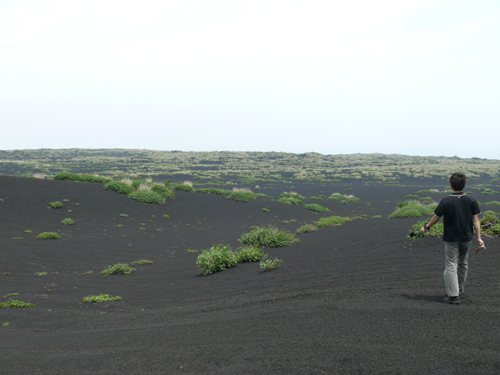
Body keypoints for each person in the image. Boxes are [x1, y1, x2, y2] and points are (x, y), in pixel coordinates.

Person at [420, 172, 484, 305]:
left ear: (451, 185)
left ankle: (453, 295)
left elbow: (436, 217)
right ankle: (459, 290)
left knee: (451, 265)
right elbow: (476, 220)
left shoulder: (446, 201)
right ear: (464, 184)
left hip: (451, 238)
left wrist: (426, 227)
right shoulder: (471, 200)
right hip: (467, 237)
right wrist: (479, 237)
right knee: (463, 264)